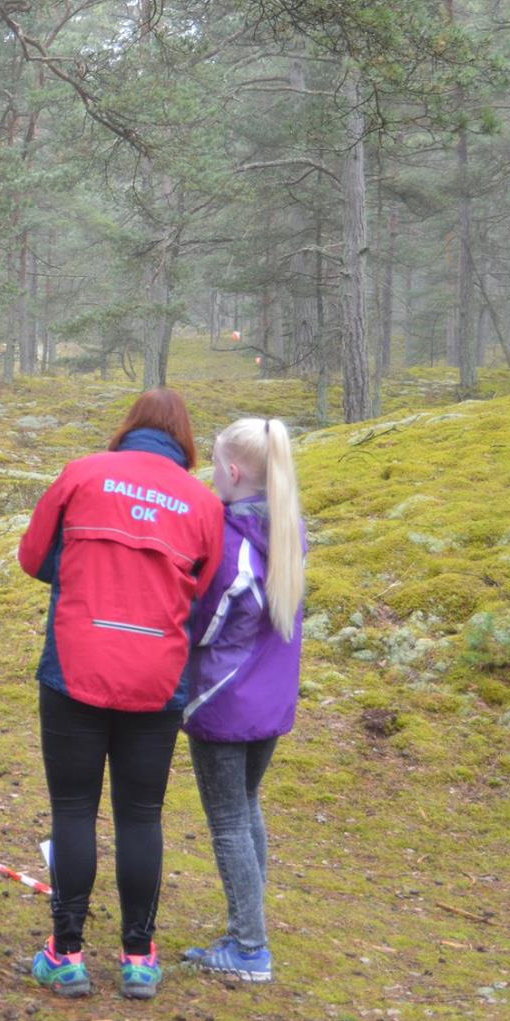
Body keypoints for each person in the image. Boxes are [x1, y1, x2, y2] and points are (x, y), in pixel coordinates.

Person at [17, 388, 225, 999]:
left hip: (74, 666)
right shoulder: (203, 503)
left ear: (129, 427)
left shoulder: (82, 475)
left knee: (74, 809)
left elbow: (33, 557)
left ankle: (67, 954)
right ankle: (139, 958)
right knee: (141, 815)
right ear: (184, 439)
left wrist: (81, 569)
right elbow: (202, 590)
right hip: (158, 677)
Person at [180, 417, 306, 984]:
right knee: (248, 807)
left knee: (228, 821)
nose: (209, 473)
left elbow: (210, 620)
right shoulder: (288, 527)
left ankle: (250, 947)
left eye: (213, 463)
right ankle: (248, 929)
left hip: (222, 701)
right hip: (269, 700)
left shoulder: (232, 539)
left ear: (233, 471)